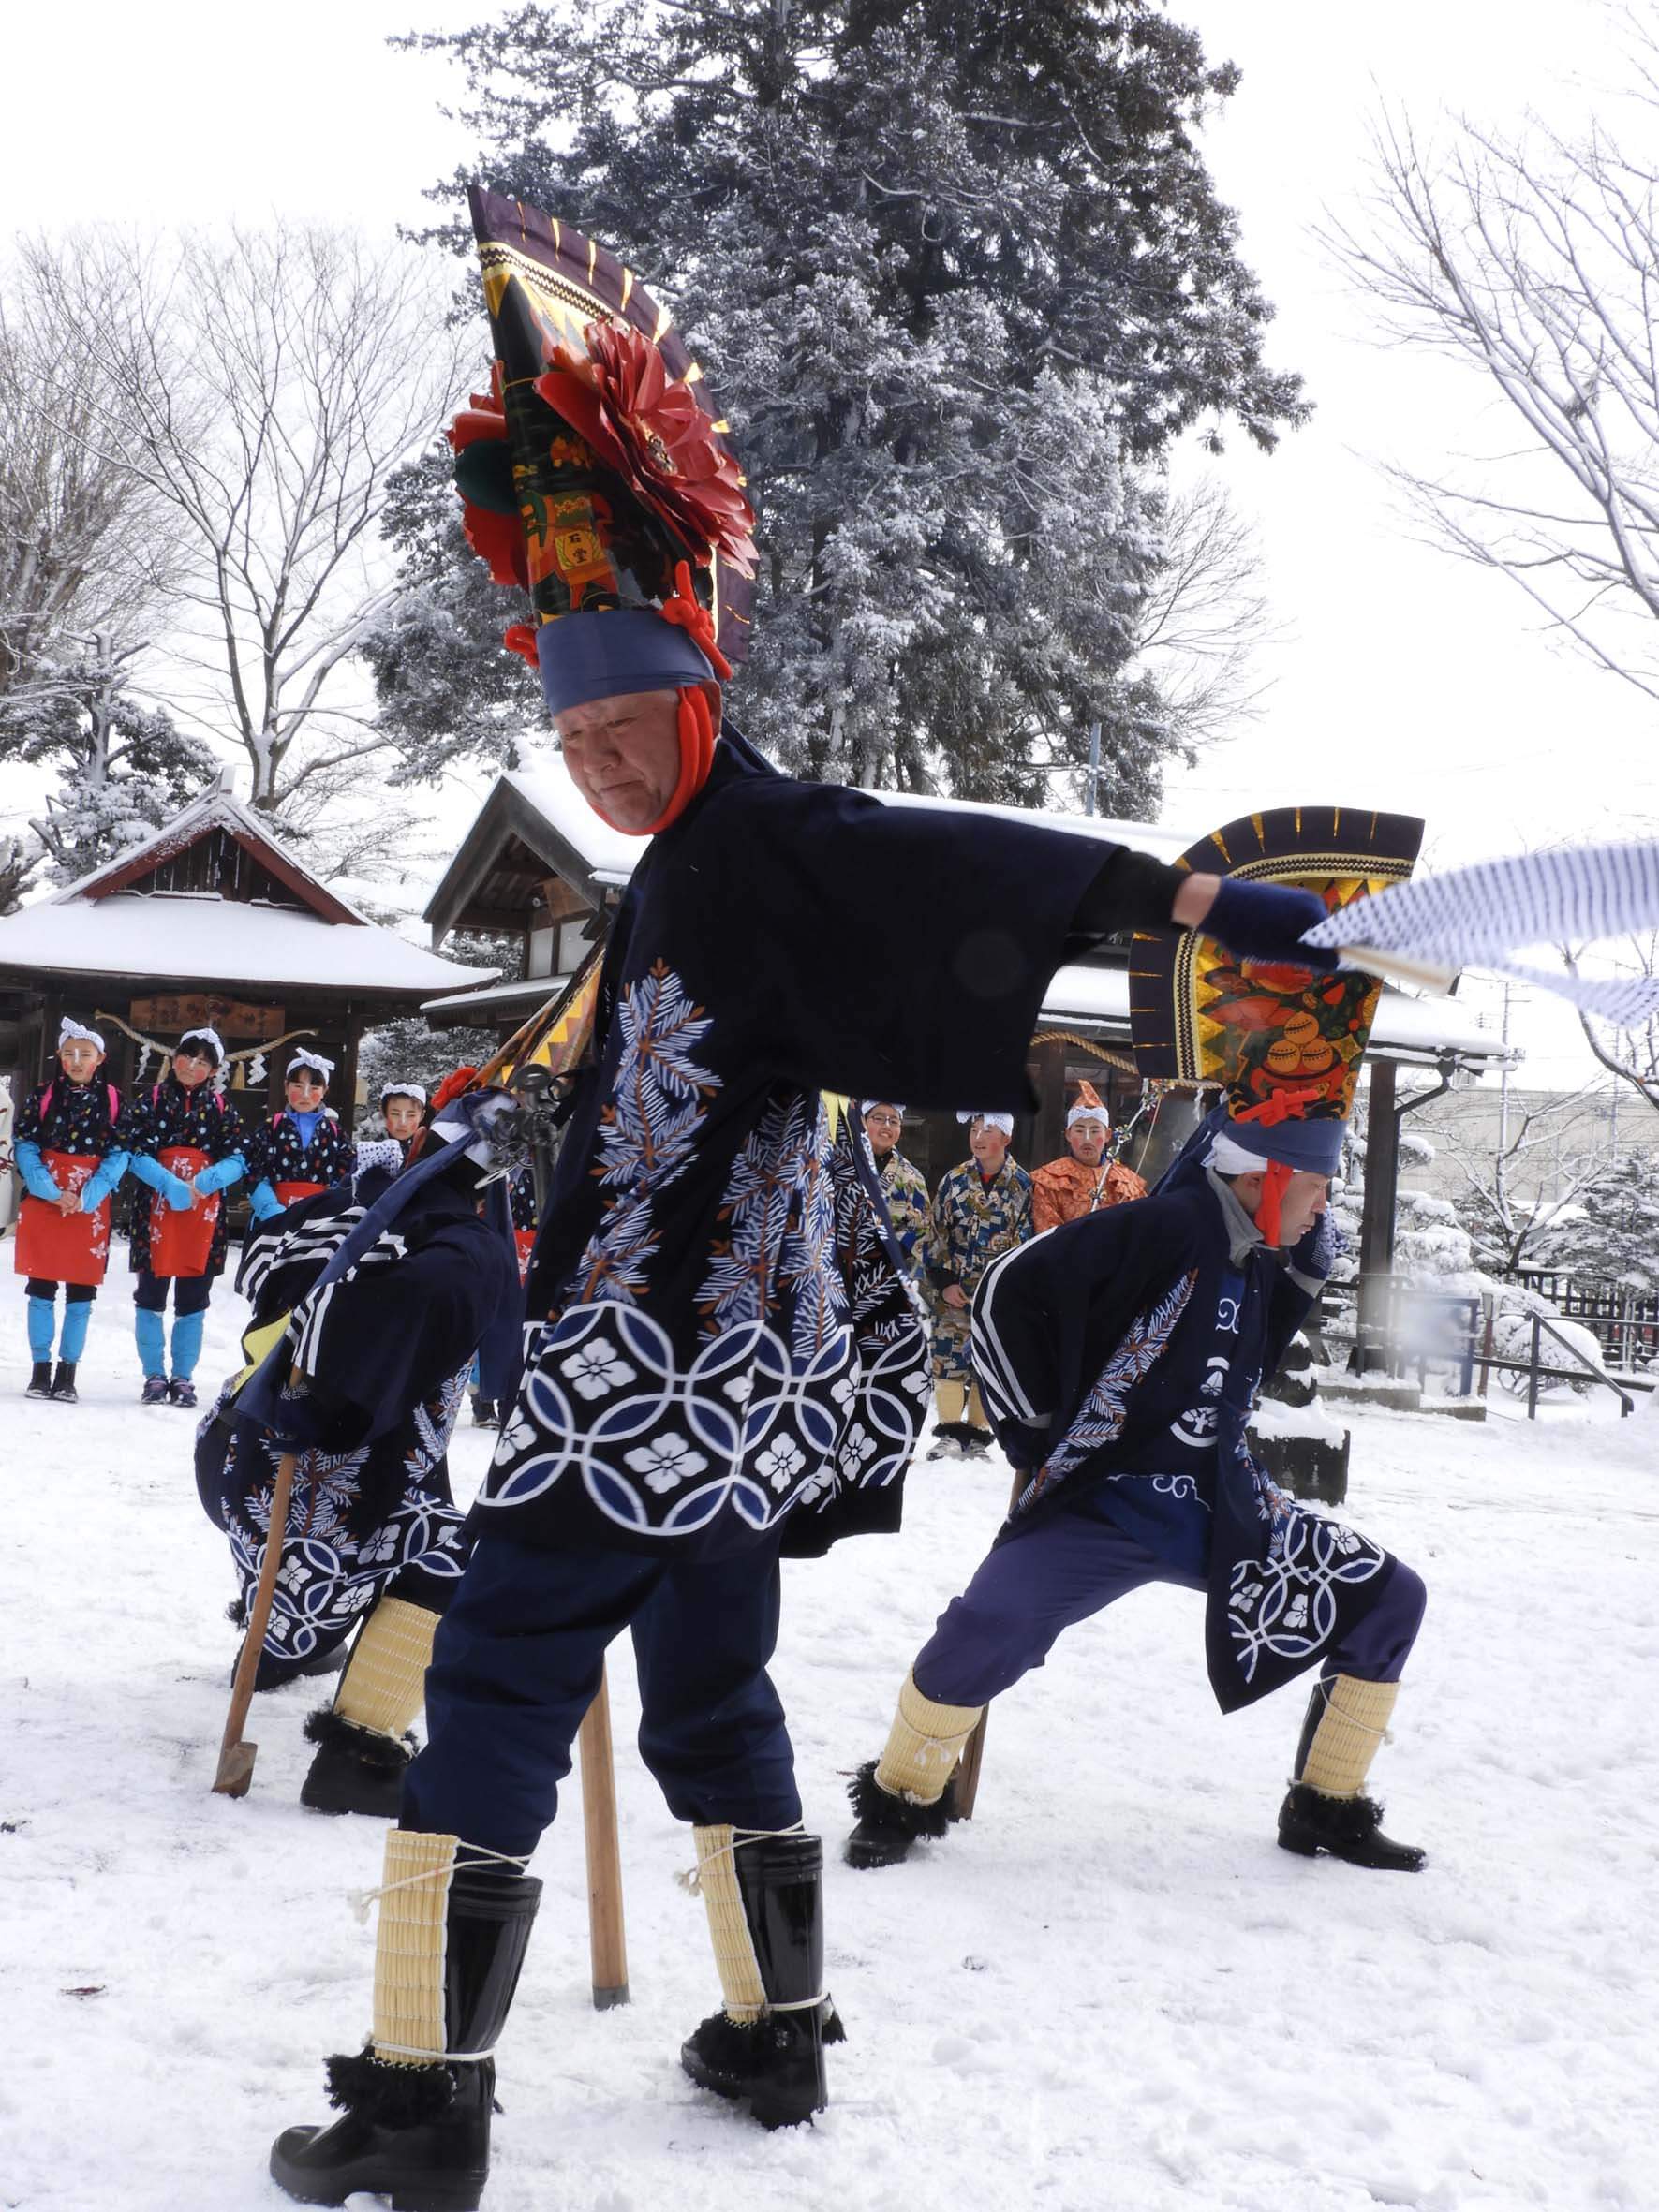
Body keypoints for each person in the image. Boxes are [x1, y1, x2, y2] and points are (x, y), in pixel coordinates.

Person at [267, 190, 1347, 2211]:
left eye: (624, 724)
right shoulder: (678, 869)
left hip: (630, 1386)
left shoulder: (760, 839)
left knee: (493, 1687)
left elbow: (957, 854)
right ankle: (774, 2033)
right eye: (570, 734)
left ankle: (419, 2101)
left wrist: (1195, 900)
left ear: (696, 694)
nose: (597, 761)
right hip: (732, 1401)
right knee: (713, 1693)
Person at [844, 981, 1429, 1882]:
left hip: (1223, 1506)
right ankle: (901, 1796)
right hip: (1104, 1499)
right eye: (1315, 1188)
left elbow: (1247, 1351)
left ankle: (1325, 1805)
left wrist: (1300, 1270)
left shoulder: (1252, 1246)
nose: (1322, 1207)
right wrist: (1038, 1429)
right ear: (1264, 1176)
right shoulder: (1165, 1224)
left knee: (1389, 1597)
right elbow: (1006, 1290)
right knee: (986, 1626)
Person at [197, 1090, 521, 1817]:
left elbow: (261, 1259)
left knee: (398, 1485)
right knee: (455, 1560)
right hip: (320, 1476)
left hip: (232, 1446)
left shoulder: (351, 1199)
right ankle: (359, 1754)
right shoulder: (466, 1248)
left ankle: (283, 1646)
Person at [116, 1026, 247, 1408]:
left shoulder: (222, 1109)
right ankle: (154, 1374)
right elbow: (132, 1150)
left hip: (203, 1212)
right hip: (154, 1208)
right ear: (174, 1059)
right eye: (187, 1056)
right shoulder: (150, 1101)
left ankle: (184, 1376)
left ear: (214, 1070)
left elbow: (238, 1157)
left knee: (193, 1298)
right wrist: (167, 1182)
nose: (192, 1066)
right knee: (150, 1295)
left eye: (203, 1061)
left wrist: (206, 1181)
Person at [12, 1018, 127, 1403]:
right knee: (40, 1289)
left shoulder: (114, 1100)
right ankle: (39, 1369)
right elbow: (25, 1143)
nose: (77, 1061)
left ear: (100, 1058)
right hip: (46, 1200)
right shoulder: (43, 1095)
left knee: (81, 1292)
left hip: (88, 1206)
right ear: (59, 1056)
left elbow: (120, 1152)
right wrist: (48, 1189)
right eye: (69, 1053)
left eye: (85, 1054)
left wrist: (89, 1194)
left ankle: (67, 1372)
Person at [924, 1111, 1032, 1457]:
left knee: (987, 1363)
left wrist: (1009, 1291)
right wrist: (944, 1282)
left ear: (1006, 1138)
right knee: (948, 1358)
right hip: (954, 1289)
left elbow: (1027, 1244)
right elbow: (935, 1231)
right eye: (974, 1130)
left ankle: (977, 1434)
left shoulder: (1023, 1185)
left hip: (997, 1293)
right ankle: (948, 1433)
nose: (978, 1137)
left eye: (988, 1130)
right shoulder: (954, 1180)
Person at [242, 1051, 353, 1222]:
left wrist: (331, 1205)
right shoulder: (271, 1127)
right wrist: (268, 1206)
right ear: (286, 1087)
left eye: (314, 1088)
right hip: (273, 1214)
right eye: (298, 1086)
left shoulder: (335, 1132)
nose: (305, 1095)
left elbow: (347, 1173)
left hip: (319, 1216)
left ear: (325, 1091)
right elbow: (252, 1169)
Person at [1029, 1079, 1146, 1233]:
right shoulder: (1049, 1181)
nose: (1087, 1139)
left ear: (1108, 1135)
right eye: (1079, 1130)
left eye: (1095, 1131)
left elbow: (1140, 1228)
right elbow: (1047, 1234)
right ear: (1068, 1134)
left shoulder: (1128, 1183)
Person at [860, 1101, 928, 1284]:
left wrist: (885, 1256)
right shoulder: (846, 1165)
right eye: (879, 1118)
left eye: (894, 1121)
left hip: (891, 1272)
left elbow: (920, 1229)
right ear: (863, 1121)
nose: (887, 1126)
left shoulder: (912, 1177)